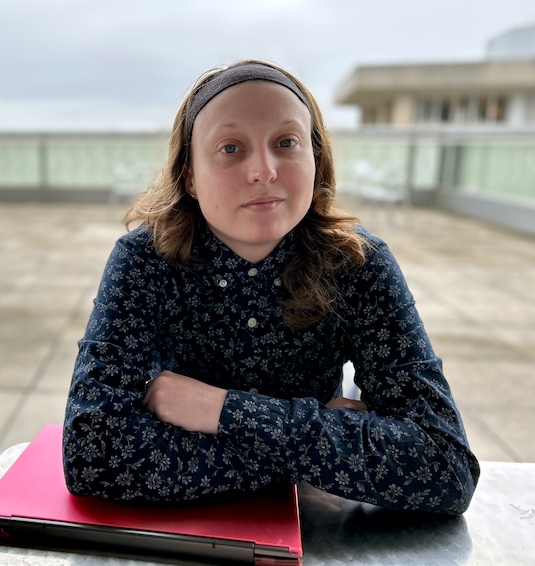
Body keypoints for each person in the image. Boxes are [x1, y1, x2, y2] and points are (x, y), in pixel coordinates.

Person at [62, 59, 480, 515]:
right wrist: (324, 444)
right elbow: (92, 456)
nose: (263, 170)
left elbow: (445, 467)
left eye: (286, 143)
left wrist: (217, 409)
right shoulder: (144, 261)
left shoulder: (360, 264)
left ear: (315, 161)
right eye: (230, 148)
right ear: (190, 178)